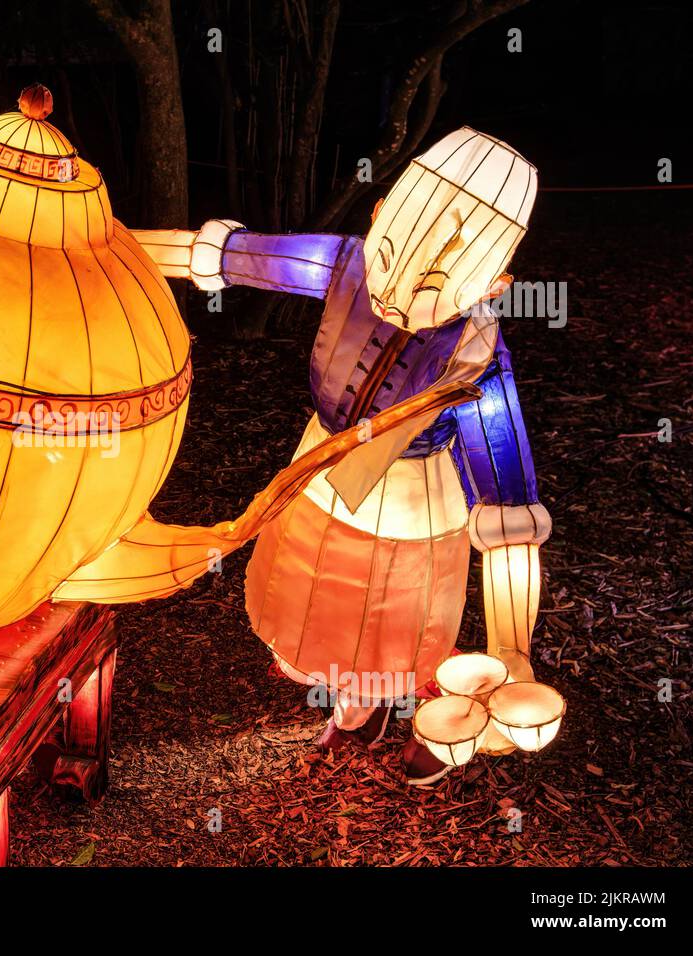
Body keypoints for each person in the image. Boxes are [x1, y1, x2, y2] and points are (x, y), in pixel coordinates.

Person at [136, 128, 551, 786]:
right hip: (318, 476)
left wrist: (511, 651)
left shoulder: (475, 362)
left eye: (435, 284)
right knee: (307, 596)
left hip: (418, 510)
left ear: (494, 285)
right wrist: (96, 246)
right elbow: (224, 256)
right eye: (391, 256)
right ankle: (339, 690)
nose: (396, 295)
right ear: (379, 215)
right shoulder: (340, 265)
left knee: (393, 619)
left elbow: (507, 516)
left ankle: (386, 706)